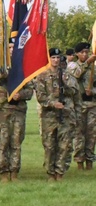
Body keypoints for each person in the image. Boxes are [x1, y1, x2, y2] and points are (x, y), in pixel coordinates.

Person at [35, 48, 79, 180]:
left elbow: (74, 92)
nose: (55, 60)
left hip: (65, 115)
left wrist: (65, 85)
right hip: (49, 116)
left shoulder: (67, 75)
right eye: (53, 57)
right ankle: (50, 172)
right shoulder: (42, 76)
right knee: (49, 145)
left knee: (64, 145)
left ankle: (60, 172)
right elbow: (40, 96)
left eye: (57, 57)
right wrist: (53, 103)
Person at [70, 42, 95, 170]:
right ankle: (79, 162)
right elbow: (76, 75)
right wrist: (87, 63)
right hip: (79, 105)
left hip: (92, 104)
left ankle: (90, 161)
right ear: (77, 54)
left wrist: (93, 92)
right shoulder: (73, 66)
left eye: (87, 52)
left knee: (91, 134)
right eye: (82, 52)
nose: (85, 54)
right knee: (79, 134)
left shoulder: (94, 68)